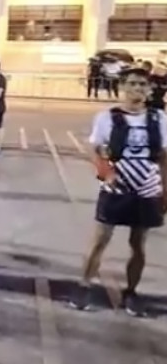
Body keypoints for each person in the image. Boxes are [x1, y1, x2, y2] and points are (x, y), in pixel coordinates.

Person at [70, 67, 167, 317]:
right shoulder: (107, 117)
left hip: (147, 187)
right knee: (99, 240)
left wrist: (164, 192)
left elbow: (164, 157)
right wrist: (106, 172)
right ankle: (84, 286)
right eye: (132, 84)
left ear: (149, 89)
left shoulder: (159, 118)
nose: (137, 89)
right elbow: (93, 149)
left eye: (142, 84)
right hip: (117, 185)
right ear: (122, 87)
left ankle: (131, 292)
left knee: (139, 244)